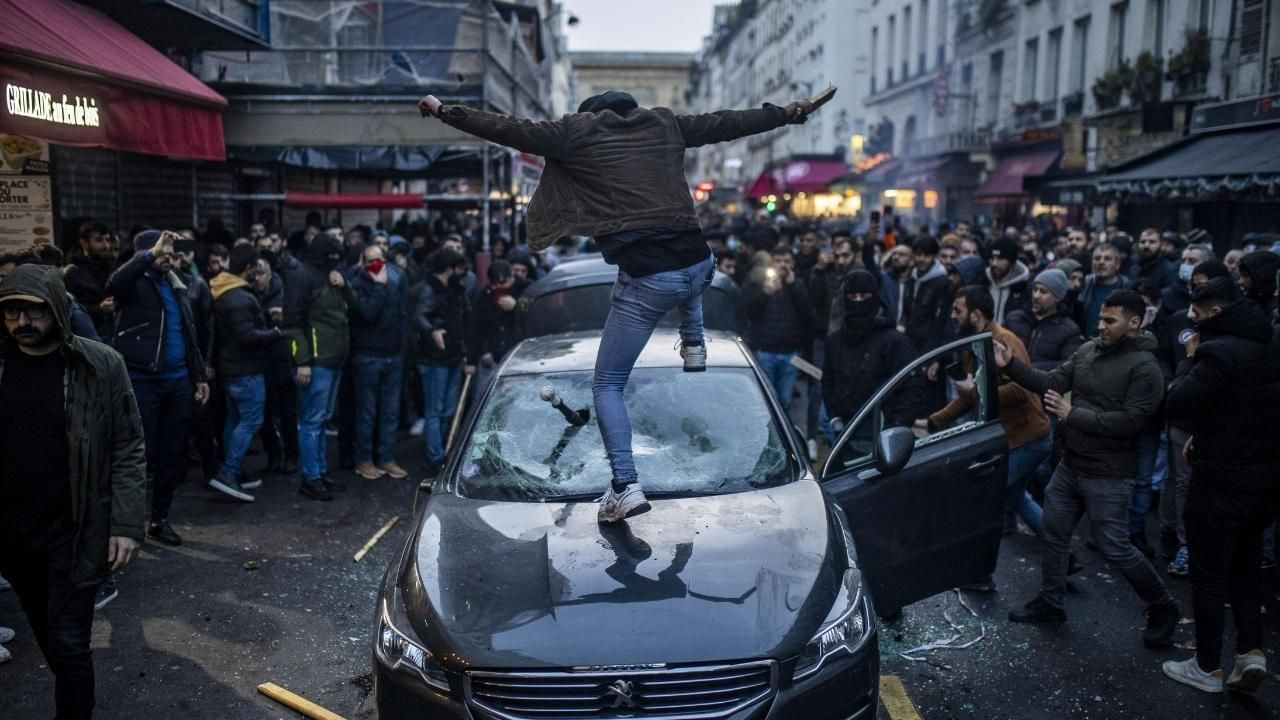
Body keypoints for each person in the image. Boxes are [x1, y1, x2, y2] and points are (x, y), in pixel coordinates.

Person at [419, 87, 821, 523]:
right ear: (632, 107)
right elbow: (726, 122)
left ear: (590, 114)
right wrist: (785, 113)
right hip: (701, 264)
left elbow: (509, 129)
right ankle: (694, 344)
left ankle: (624, 486)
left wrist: (445, 112)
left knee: (607, 383)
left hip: (653, 279)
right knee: (683, 276)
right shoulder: (663, 120)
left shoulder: (578, 131)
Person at [0, 264, 145, 719]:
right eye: (11, 313)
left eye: (33, 312)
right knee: (47, 634)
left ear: (58, 311)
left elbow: (128, 445)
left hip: (76, 528)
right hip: (14, 535)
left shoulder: (99, 364)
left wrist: (124, 524)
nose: (21, 323)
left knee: (69, 645)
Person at [999, 289, 1180, 646]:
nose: (1101, 326)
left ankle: (1163, 605)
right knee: (1052, 531)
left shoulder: (1146, 368)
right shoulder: (1087, 350)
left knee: (1115, 548)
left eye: (1110, 321)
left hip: (1109, 473)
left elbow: (1133, 421)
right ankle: (1051, 601)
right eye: (1100, 318)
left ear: (1135, 323)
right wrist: (1011, 366)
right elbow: (1052, 382)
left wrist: (1072, 415)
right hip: (1072, 465)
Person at [1160, 278, 1280, 693]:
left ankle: (1207, 665)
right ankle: (1250, 652)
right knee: (1245, 566)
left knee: (1208, 573)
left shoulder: (1216, 352)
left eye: (1197, 314)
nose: (1191, 323)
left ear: (1215, 312)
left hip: (1220, 481)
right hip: (1263, 480)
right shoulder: (1270, 342)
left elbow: (1177, 403)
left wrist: (1191, 360)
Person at [924, 287, 1051, 586]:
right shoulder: (975, 345)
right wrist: (935, 421)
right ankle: (1063, 553)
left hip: (1028, 438)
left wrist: (978, 392)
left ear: (976, 314)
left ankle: (979, 574)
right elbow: (971, 396)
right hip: (1016, 438)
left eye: (958, 310)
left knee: (981, 499)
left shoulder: (1003, 341)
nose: (954, 316)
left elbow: (1021, 389)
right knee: (1018, 498)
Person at [105, 231, 209, 546]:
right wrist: (149, 255)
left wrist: (199, 376)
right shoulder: (133, 284)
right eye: (164, 253)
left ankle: (160, 520)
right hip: (142, 379)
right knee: (140, 454)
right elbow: (113, 284)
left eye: (171, 253)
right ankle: (126, 525)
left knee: (171, 455)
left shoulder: (177, 285)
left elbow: (188, 333)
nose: (170, 259)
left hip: (178, 381)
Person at [283, 233, 354, 501]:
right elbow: (292, 323)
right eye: (332, 256)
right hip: (316, 362)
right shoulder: (303, 277)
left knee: (319, 421)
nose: (335, 261)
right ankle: (311, 478)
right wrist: (302, 361)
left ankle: (318, 473)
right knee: (313, 422)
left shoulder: (328, 276)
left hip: (330, 359)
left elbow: (352, 306)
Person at [209, 247, 284, 501]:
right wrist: (274, 333)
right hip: (245, 369)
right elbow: (246, 336)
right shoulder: (239, 297)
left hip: (231, 368)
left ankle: (233, 469)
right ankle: (229, 473)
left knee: (235, 419)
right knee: (250, 420)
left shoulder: (225, 291)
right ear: (248, 268)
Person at [823, 270, 922, 455]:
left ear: (874, 297)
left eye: (864, 296)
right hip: (842, 436)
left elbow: (912, 388)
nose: (858, 301)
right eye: (853, 296)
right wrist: (834, 416)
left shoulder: (894, 342)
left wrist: (894, 430)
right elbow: (827, 381)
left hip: (879, 441)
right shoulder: (834, 341)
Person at [349, 243, 411, 481]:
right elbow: (367, 313)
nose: (376, 264)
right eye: (371, 260)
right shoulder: (358, 283)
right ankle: (364, 460)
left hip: (393, 354)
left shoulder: (397, 278)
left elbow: (402, 313)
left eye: (379, 259)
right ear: (363, 263)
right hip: (368, 356)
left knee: (390, 412)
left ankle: (386, 458)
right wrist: (378, 286)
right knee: (367, 412)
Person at [413, 249, 473, 476]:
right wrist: (433, 332)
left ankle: (443, 452)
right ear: (449, 269)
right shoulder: (431, 290)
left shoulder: (455, 290)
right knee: (436, 410)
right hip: (435, 359)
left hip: (452, 356)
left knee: (448, 410)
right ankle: (436, 456)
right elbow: (419, 316)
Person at [745, 244, 814, 411]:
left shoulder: (798, 284)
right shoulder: (760, 283)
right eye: (778, 261)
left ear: (793, 264)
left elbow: (806, 313)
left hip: (790, 352)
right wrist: (765, 294)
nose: (783, 265)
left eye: (787, 261)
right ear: (772, 264)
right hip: (765, 351)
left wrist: (793, 286)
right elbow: (750, 312)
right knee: (765, 401)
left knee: (785, 400)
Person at [1005, 269, 1084, 370]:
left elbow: (1068, 365)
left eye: (1043, 291)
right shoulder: (1014, 318)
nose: (1036, 296)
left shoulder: (1070, 331)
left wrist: (1030, 369)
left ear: (1057, 297)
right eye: (1035, 289)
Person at [469, 260, 522, 391]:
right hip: (492, 357)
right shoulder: (485, 295)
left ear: (512, 277)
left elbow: (534, 315)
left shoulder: (524, 288)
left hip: (518, 355)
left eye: (503, 283)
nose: (499, 287)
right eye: (495, 284)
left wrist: (517, 307)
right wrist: (483, 351)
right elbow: (477, 326)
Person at [63, 221, 117, 338]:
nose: (106, 246)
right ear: (84, 243)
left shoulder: (113, 268)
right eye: (99, 240)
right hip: (87, 335)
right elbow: (68, 309)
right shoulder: (72, 273)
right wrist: (99, 309)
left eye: (107, 240)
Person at [902, 236, 953, 354]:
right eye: (918, 254)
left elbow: (940, 322)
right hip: (909, 340)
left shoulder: (942, 281)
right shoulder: (912, 278)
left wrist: (931, 352)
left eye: (926, 255)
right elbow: (907, 310)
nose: (921, 259)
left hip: (928, 345)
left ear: (934, 256)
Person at [1075, 242, 1129, 337]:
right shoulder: (1083, 285)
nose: (1101, 262)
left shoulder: (1127, 288)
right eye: (1097, 258)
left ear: (1118, 264)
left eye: (1107, 259)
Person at [985, 237, 1031, 324]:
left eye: (1000, 258)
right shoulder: (983, 283)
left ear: (1012, 261)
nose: (994, 263)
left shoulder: (1024, 290)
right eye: (992, 258)